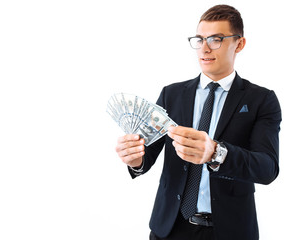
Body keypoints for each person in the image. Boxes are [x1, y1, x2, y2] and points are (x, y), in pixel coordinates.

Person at [115, 4, 281, 240]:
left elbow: (267, 169)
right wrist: (135, 158)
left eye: (216, 39)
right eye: (199, 39)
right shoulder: (171, 95)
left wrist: (216, 152)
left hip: (231, 230)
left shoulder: (262, 100)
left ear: (239, 44)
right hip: (170, 227)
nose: (204, 48)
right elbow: (145, 155)